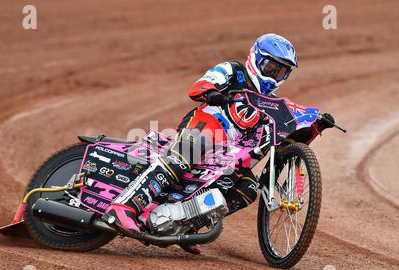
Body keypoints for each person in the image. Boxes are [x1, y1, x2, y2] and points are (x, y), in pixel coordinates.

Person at [101, 33, 335, 249]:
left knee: (248, 189)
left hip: (225, 155)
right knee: (183, 157)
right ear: (255, 58)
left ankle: (184, 226)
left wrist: (314, 125)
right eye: (271, 67)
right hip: (203, 127)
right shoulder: (234, 71)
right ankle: (124, 206)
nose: (274, 75)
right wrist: (212, 92)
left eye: (281, 72)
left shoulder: (272, 103)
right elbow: (198, 87)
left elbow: (281, 142)